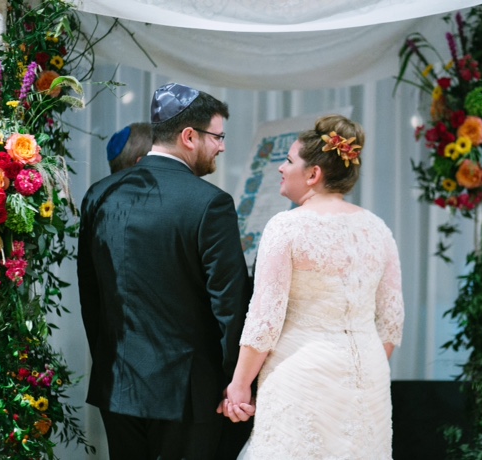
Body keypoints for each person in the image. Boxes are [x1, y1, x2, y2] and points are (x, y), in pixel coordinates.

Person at [77, 82, 251, 460]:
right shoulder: (211, 203)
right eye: (218, 137)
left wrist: (109, 362)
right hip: (186, 394)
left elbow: (91, 296)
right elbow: (230, 305)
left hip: (117, 384)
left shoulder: (99, 194)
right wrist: (232, 381)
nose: (221, 146)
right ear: (190, 136)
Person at [221, 114, 405, 459]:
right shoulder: (378, 229)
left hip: (302, 374)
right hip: (370, 377)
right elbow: (392, 323)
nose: (280, 168)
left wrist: (240, 385)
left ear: (313, 174)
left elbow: (265, 318)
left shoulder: (286, 227)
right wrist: (362, 373)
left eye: (288, 160)